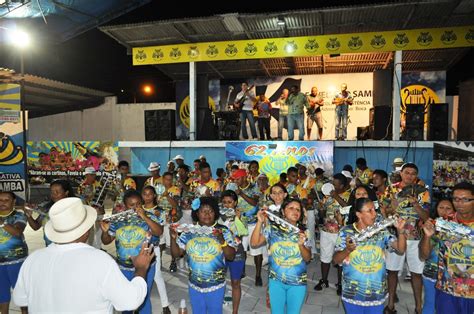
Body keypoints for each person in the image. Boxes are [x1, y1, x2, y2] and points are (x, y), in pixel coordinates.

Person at [12, 197, 154, 313]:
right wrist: (141, 268)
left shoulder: (33, 259)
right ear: (87, 230)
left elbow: (20, 299)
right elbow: (129, 301)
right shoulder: (100, 260)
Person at [333, 198, 407, 313]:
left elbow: (401, 249)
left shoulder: (381, 231)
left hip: (376, 292)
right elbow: (335, 260)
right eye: (370, 210)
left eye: (374, 209)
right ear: (359, 214)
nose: (374, 213)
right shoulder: (346, 232)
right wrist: (347, 250)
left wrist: (401, 231)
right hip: (352, 292)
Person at [170, 197, 237, 314]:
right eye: (203, 211)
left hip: (216, 285)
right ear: (197, 213)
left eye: (210, 211)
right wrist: (173, 238)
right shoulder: (189, 231)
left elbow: (231, 256)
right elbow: (177, 254)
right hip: (194, 285)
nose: (207, 214)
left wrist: (222, 241)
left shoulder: (223, 231)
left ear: (215, 212)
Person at [101, 190, 162, 314]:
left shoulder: (150, 216)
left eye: (138, 204)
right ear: (124, 206)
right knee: (126, 301)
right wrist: (105, 231)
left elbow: (158, 232)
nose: (136, 207)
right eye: (131, 205)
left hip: (146, 267)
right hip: (124, 267)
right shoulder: (117, 220)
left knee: (143, 299)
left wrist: (144, 216)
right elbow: (106, 241)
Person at [420, 182, 474, 314]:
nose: (459, 203)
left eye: (465, 199)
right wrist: (427, 237)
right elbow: (423, 255)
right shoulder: (442, 223)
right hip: (448, 290)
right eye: (456, 199)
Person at [251, 198, 311, 314]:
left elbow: (307, 258)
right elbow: (254, 243)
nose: (295, 212)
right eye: (291, 208)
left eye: (298, 209)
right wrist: (259, 222)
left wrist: (301, 245)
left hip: (297, 283)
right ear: (283, 211)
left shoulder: (304, 232)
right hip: (276, 281)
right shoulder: (272, 229)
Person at [385, 163, 430, 314]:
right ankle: (390, 305)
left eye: (413, 173)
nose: (409, 176)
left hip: (416, 236)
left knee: (416, 273)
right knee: (392, 271)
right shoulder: (391, 189)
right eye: (407, 172)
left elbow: (426, 217)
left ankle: (418, 307)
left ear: (416, 175)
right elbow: (384, 213)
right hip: (395, 235)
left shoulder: (423, 192)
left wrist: (416, 204)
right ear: (401, 173)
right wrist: (392, 207)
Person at [314, 173, 351, 295]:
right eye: (332, 184)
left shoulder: (349, 195)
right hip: (326, 231)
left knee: (340, 259)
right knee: (325, 257)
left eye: (335, 185)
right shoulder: (327, 196)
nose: (332, 188)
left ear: (342, 185)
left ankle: (341, 283)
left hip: (341, 232)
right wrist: (321, 209)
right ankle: (324, 280)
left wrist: (336, 197)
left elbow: (348, 208)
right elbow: (322, 215)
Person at [419, 198, 455, 314]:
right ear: (436, 209)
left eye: (448, 208)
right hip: (431, 273)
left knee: (448, 307)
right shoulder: (431, 225)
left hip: (451, 277)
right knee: (430, 303)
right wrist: (427, 236)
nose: (444, 211)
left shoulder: (458, 228)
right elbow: (424, 255)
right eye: (441, 208)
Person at [230, 169, 263, 286]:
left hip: (254, 223)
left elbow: (255, 203)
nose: (236, 181)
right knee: (241, 248)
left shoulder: (254, 187)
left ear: (244, 177)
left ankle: (258, 275)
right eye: (234, 179)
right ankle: (242, 271)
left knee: (256, 250)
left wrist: (241, 194)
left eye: (237, 179)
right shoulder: (234, 188)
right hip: (240, 223)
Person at [141, 186, 171, 314]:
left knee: (157, 276)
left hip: (154, 246)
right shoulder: (138, 209)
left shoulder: (159, 211)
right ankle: (139, 302)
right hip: (140, 246)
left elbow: (159, 230)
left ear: (154, 196)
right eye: (144, 194)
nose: (147, 196)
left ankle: (165, 304)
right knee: (141, 275)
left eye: (150, 194)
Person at [24, 179, 75, 246]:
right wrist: (28, 214)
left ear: (66, 192)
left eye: (57, 191)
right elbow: (35, 227)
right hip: (50, 248)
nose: (54, 194)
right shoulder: (47, 208)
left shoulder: (74, 206)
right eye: (52, 192)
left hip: (70, 248)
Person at [0, 192, 27, 314]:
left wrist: (2, 223)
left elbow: (17, 232)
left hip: (16, 262)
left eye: (7, 199)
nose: (3, 202)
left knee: (22, 295)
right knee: (2, 296)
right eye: (0, 199)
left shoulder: (19, 215)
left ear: (14, 202)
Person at [220, 190, 247, 314]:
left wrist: (237, 218)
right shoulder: (218, 215)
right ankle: (217, 304)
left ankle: (234, 311)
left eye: (230, 202)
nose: (227, 205)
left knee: (235, 282)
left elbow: (242, 233)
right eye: (224, 202)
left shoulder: (241, 216)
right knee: (219, 280)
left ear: (235, 203)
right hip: (220, 252)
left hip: (237, 253)